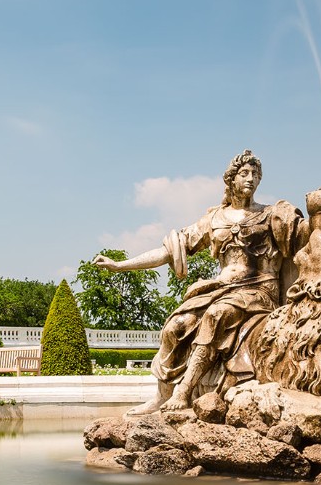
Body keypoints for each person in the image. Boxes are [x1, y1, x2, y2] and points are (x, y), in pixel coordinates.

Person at [93, 150, 305, 412]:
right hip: (222, 288)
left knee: (216, 314)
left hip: (259, 290)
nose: (251, 179)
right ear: (231, 179)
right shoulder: (215, 219)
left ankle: (184, 392)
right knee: (175, 326)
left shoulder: (271, 214)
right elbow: (169, 251)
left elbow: (304, 237)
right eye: (245, 173)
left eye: (256, 174)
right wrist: (120, 266)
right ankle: (162, 395)